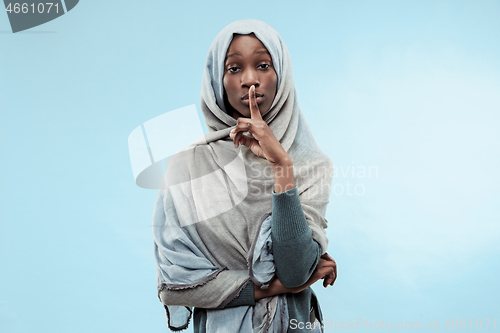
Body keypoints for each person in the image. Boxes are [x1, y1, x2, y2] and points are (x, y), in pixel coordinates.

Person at [152, 19, 337, 332]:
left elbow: (294, 270)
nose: (250, 80)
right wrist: (272, 288)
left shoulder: (310, 165)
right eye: (234, 68)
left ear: (282, 74)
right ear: (216, 80)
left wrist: (282, 166)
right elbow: (175, 284)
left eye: (263, 64)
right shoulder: (189, 166)